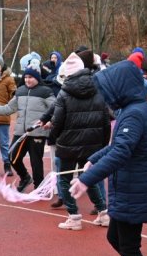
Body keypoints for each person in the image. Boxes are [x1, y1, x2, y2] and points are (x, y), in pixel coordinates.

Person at [69, 60, 147, 256]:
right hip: (127, 187)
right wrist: (95, 158)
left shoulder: (133, 113)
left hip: (133, 189)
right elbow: (117, 145)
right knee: (115, 238)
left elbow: (122, 151)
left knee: (128, 246)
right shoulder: (131, 110)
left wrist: (87, 179)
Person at [43, 58, 110, 229]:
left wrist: (51, 138)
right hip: (93, 143)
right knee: (89, 177)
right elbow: (105, 120)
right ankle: (103, 212)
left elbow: (57, 121)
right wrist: (103, 145)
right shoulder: (98, 90)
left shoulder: (64, 93)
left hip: (68, 144)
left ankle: (74, 216)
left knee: (64, 179)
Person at [0, 67, 55, 194]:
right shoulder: (20, 91)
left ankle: (39, 188)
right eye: (26, 77)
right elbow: (9, 108)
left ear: (37, 78)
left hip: (37, 132)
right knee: (12, 157)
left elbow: (56, 108)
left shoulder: (45, 91)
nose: (27, 80)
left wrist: (49, 122)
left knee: (36, 161)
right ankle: (25, 178)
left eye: (31, 77)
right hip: (21, 132)